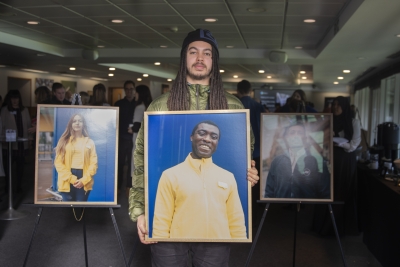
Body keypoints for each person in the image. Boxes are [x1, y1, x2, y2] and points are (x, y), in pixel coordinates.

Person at [129, 28, 259, 267]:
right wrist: (140, 211)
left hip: (214, 230)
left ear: (214, 60)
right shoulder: (160, 106)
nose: (200, 58)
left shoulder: (233, 107)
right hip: (168, 227)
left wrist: (247, 174)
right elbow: (141, 161)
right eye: (193, 52)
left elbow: (246, 154)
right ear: (184, 58)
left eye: (207, 53)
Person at [153, 121, 246, 239]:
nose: (207, 139)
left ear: (217, 143)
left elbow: (235, 217)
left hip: (217, 247)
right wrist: (162, 245)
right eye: (202, 133)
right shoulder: (170, 175)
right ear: (192, 137)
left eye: (214, 137)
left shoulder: (228, 177)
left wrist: (241, 240)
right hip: (179, 246)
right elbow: (162, 217)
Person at [313, 96, 361, 235]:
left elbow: (353, 145)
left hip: (345, 160)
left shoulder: (354, 122)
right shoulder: (329, 120)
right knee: (328, 190)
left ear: (345, 106)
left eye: (339, 105)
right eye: (334, 104)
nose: (336, 107)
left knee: (342, 191)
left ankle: (340, 227)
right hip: (331, 158)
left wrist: (339, 143)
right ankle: (323, 225)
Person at [264, 121, 330, 199]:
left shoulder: (317, 162)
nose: (296, 136)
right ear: (286, 138)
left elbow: (326, 193)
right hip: (281, 209)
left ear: (305, 138)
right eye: (292, 133)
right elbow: (269, 191)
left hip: (308, 209)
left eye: (300, 133)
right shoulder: (277, 161)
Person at [236, 79, 266, 224]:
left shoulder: (235, 105)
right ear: (250, 90)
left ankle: (242, 216)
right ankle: (254, 216)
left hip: (240, 150)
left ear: (238, 90)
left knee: (239, 183)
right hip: (258, 151)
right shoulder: (258, 106)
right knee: (254, 184)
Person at [54, 113, 98, 201]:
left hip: (83, 177)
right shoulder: (63, 141)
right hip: (67, 177)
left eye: (80, 121)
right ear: (71, 124)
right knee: (68, 209)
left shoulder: (90, 142)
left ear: (83, 124)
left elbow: (94, 164)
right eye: (74, 121)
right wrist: (72, 179)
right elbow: (58, 163)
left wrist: (84, 180)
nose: (77, 123)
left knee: (80, 209)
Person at [1, 90, 33, 193]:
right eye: (13, 98)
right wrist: (2, 138)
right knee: (8, 167)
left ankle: (18, 185)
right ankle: (8, 185)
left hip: (21, 142)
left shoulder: (24, 110)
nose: (15, 101)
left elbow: (28, 125)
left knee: (20, 167)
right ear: (9, 99)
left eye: (17, 98)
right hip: (9, 143)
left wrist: (30, 139)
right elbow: (1, 126)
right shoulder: (5, 110)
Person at [127, 85, 152, 192]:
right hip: (148, 142)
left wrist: (130, 129)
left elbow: (136, 126)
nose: (134, 94)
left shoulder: (139, 107)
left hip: (138, 142)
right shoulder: (150, 106)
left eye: (135, 92)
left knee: (136, 169)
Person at [114, 80, 136, 190]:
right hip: (121, 138)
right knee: (120, 164)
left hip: (134, 139)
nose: (129, 91)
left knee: (132, 164)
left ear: (134, 90)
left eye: (131, 89)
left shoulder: (138, 104)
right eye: (127, 89)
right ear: (124, 90)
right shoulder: (118, 104)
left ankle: (129, 188)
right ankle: (117, 188)